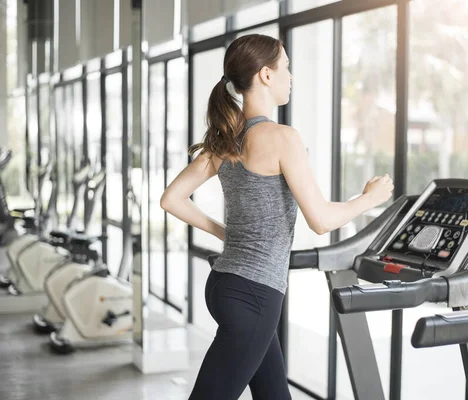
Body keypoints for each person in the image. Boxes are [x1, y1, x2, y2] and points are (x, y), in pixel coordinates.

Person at [160, 33, 394, 400]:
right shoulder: (283, 138)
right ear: (266, 75)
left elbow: (171, 199)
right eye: (285, 67)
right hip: (254, 294)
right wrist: (368, 199)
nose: (290, 75)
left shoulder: (225, 140)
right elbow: (320, 220)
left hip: (225, 283)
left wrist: (227, 234)